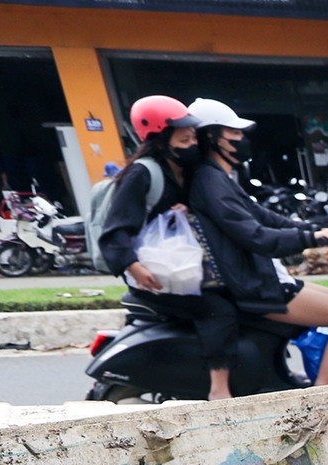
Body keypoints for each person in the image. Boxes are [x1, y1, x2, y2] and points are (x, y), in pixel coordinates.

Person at [185, 97, 328, 386]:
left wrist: (320, 226)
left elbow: (266, 217)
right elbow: (256, 235)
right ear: (211, 136)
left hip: (259, 276)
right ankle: (323, 397)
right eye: (235, 133)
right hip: (251, 285)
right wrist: (311, 237)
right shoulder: (210, 181)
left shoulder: (221, 177)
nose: (242, 139)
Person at [95, 95, 245, 401]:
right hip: (155, 277)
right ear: (161, 139)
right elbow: (116, 228)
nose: (192, 144)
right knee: (218, 308)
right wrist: (134, 266)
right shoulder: (143, 173)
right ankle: (220, 390)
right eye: (184, 138)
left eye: (193, 137)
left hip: (182, 268)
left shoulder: (184, 170)